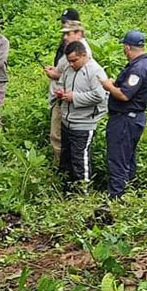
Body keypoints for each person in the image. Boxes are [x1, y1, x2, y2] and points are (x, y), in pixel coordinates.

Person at [101, 30, 147, 199]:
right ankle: (128, 195)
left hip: (125, 119)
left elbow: (124, 95)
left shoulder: (137, 69)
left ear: (127, 47)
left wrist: (108, 86)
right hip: (133, 119)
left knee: (118, 159)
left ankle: (116, 197)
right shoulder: (146, 65)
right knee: (128, 158)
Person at [56, 41, 108, 187]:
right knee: (66, 158)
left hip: (84, 123)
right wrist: (61, 92)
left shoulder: (95, 71)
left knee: (80, 159)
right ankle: (66, 190)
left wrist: (75, 97)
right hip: (67, 120)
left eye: (74, 60)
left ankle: (83, 192)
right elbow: (61, 83)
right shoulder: (69, 69)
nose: (71, 64)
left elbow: (99, 95)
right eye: (69, 61)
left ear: (84, 55)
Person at [45, 20, 92, 166]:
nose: (65, 37)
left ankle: (62, 168)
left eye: (68, 33)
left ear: (78, 33)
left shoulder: (80, 53)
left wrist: (54, 74)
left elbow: (73, 75)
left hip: (69, 100)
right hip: (65, 99)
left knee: (58, 136)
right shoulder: (73, 48)